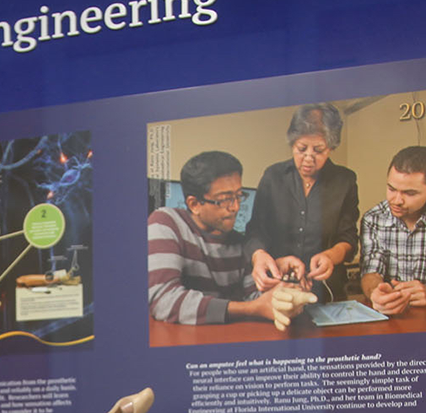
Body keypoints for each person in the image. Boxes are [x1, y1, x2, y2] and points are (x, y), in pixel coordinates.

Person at [148, 151, 294, 326]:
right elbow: (164, 301)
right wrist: (250, 308)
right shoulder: (166, 223)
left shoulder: (242, 244)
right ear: (194, 204)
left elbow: (257, 299)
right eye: (225, 199)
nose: (236, 207)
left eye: (239, 195)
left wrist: (283, 285)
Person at [245, 103, 359, 301]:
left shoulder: (345, 180)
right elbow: (256, 230)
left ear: (331, 148)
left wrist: (331, 256)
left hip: (326, 291)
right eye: (301, 148)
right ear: (292, 143)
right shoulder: (273, 176)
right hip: (277, 289)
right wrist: (259, 256)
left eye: (318, 150)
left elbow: (348, 237)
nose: (308, 158)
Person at [359, 146, 426, 315]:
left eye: (409, 193)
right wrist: (376, 293)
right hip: (392, 319)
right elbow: (371, 271)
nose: (396, 200)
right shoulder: (373, 219)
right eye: (391, 189)